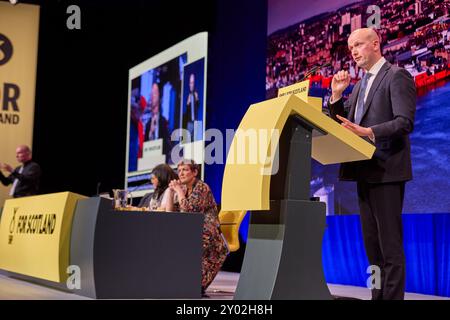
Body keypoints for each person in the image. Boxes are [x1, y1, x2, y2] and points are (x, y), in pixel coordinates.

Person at [328, 28, 416, 300]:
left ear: (375, 44)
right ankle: (377, 296)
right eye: (350, 47)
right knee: (372, 247)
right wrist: (336, 97)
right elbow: (345, 125)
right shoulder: (360, 85)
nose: (353, 51)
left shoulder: (396, 76)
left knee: (390, 247)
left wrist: (368, 132)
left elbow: (404, 122)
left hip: (387, 171)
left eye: (358, 45)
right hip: (364, 171)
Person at [167, 159, 228, 295]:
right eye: (179, 170)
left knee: (194, 286)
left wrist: (177, 190)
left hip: (207, 235)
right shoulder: (184, 190)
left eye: (185, 170)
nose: (181, 173)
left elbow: (189, 212)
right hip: (193, 232)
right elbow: (171, 213)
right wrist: (171, 193)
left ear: (195, 172)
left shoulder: (202, 187)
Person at [144, 83, 172, 157]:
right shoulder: (148, 124)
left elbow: (168, 144)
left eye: (155, 93)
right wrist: (150, 134)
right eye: (152, 93)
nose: (152, 96)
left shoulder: (164, 122)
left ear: (159, 97)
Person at [183, 73, 200, 141]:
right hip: (189, 122)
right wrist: (188, 103)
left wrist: (197, 98)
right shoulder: (188, 96)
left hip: (196, 122)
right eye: (190, 83)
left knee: (196, 140)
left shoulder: (196, 94)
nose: (191, 85)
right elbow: (186, 112)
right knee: (188, 140)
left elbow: (198, 106)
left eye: (193, 83)